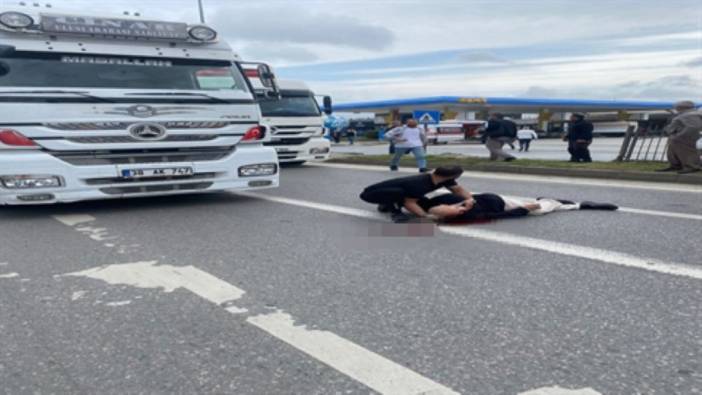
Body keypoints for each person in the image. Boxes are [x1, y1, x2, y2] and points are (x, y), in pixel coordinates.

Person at [415, 192, 618, 224]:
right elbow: (501, 216)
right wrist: (525, 210)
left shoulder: (442, 201)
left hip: (496, 198)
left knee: (544, 206)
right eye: (456, 212)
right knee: (539, 208)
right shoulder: (473, 216)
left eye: (447, 207)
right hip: (502, 204)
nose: (458, 209)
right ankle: (579, 206)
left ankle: (571, 204)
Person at [359, 166, 472, 222]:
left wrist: (470, 199)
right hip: (370, 195)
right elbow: (410, 203)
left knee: (421, 200)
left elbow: (458, 190)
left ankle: (386, 204)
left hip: (393, 192)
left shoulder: (445, 179)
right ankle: (395, 212)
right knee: (399, 193)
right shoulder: (420, 183)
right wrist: (426, 216)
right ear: (453, 176)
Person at [656, 100, 702, 174]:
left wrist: (680, 135)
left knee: (687, 152)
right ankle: (676, 165)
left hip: (685, 138)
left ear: (681, 107)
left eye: (677, 107)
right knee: (673, 150)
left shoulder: (690, 115)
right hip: (680, 137)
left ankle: (692, 166)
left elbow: (693, 127)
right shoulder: (688, 114)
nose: (676, 108)